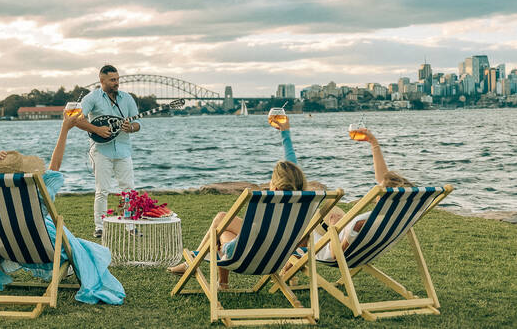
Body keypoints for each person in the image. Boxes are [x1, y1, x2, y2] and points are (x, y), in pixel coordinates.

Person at [0, 112, 126, 305]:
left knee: (77, 244)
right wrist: (65, 129)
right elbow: (55, 166)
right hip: (42, 247)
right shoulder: (34, 190)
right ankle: (78, 268)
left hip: (2, 247)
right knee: (80, 248)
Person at [167, 115, 304, 289]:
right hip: (278, 257)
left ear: (276, 186)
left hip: (246, 255)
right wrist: (285, 132)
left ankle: (195, 263)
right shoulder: (303, 199)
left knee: (220, 222)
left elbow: (254, 235)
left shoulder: (269, 203)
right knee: (224, 225)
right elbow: (292, 163)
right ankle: (215, 278)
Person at [313, 128, 414, 261]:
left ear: (380, 197)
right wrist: (373, 142)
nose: (378, 185)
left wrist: (334, 227)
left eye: (380, 187)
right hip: (363, 253)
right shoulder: (398, 216)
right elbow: (383, 177)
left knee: (302, 229)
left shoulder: (361, 222)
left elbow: (335, 253)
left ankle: (287, 269)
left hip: (324, 248)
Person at [76, 65, 141, 238]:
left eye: (118, 79)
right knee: (102, 189)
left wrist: (131, 128)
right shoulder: (92, 98)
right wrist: (96, 130)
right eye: (112, 80)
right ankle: (100, 227)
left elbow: (138, 124)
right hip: (100, 150)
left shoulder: (127, 98)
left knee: (128, 189)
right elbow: (75, 119)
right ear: (102, 80)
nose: (116, 83)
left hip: (123, 150)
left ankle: (130, 225)